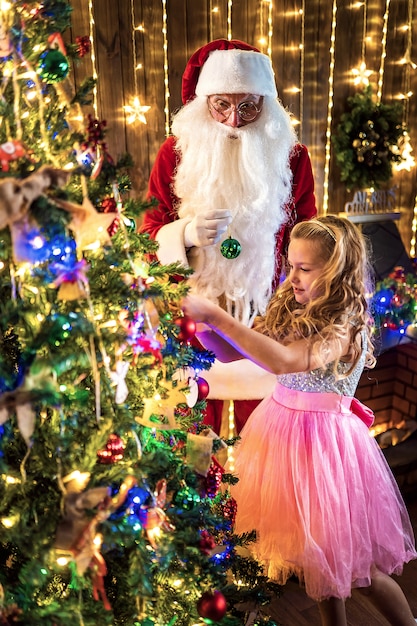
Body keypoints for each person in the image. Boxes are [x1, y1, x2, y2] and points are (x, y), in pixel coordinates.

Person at [182, 215, 417, 626]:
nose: (292, 277)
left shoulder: (343, 327)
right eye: (290, 265)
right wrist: (201, 323)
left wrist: (219, 317)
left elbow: (284, 360)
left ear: (336, 271)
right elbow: (230, 352)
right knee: (316, 565)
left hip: (326, 452)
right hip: (282, 440)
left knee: (358, 570)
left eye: (304, 269)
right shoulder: (295, 308)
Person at [140, 38, 317, 435]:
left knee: (272, 434)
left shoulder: (292, 157)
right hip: (191, 319)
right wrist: (183, 233)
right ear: (204, 103)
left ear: (265, 105)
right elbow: (147, 232)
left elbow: (308, 233)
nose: (234, 119)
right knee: (191, 439)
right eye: (221, 104)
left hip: (270, 314)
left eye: (248, 106)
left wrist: (302, 303)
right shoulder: (175, 152)